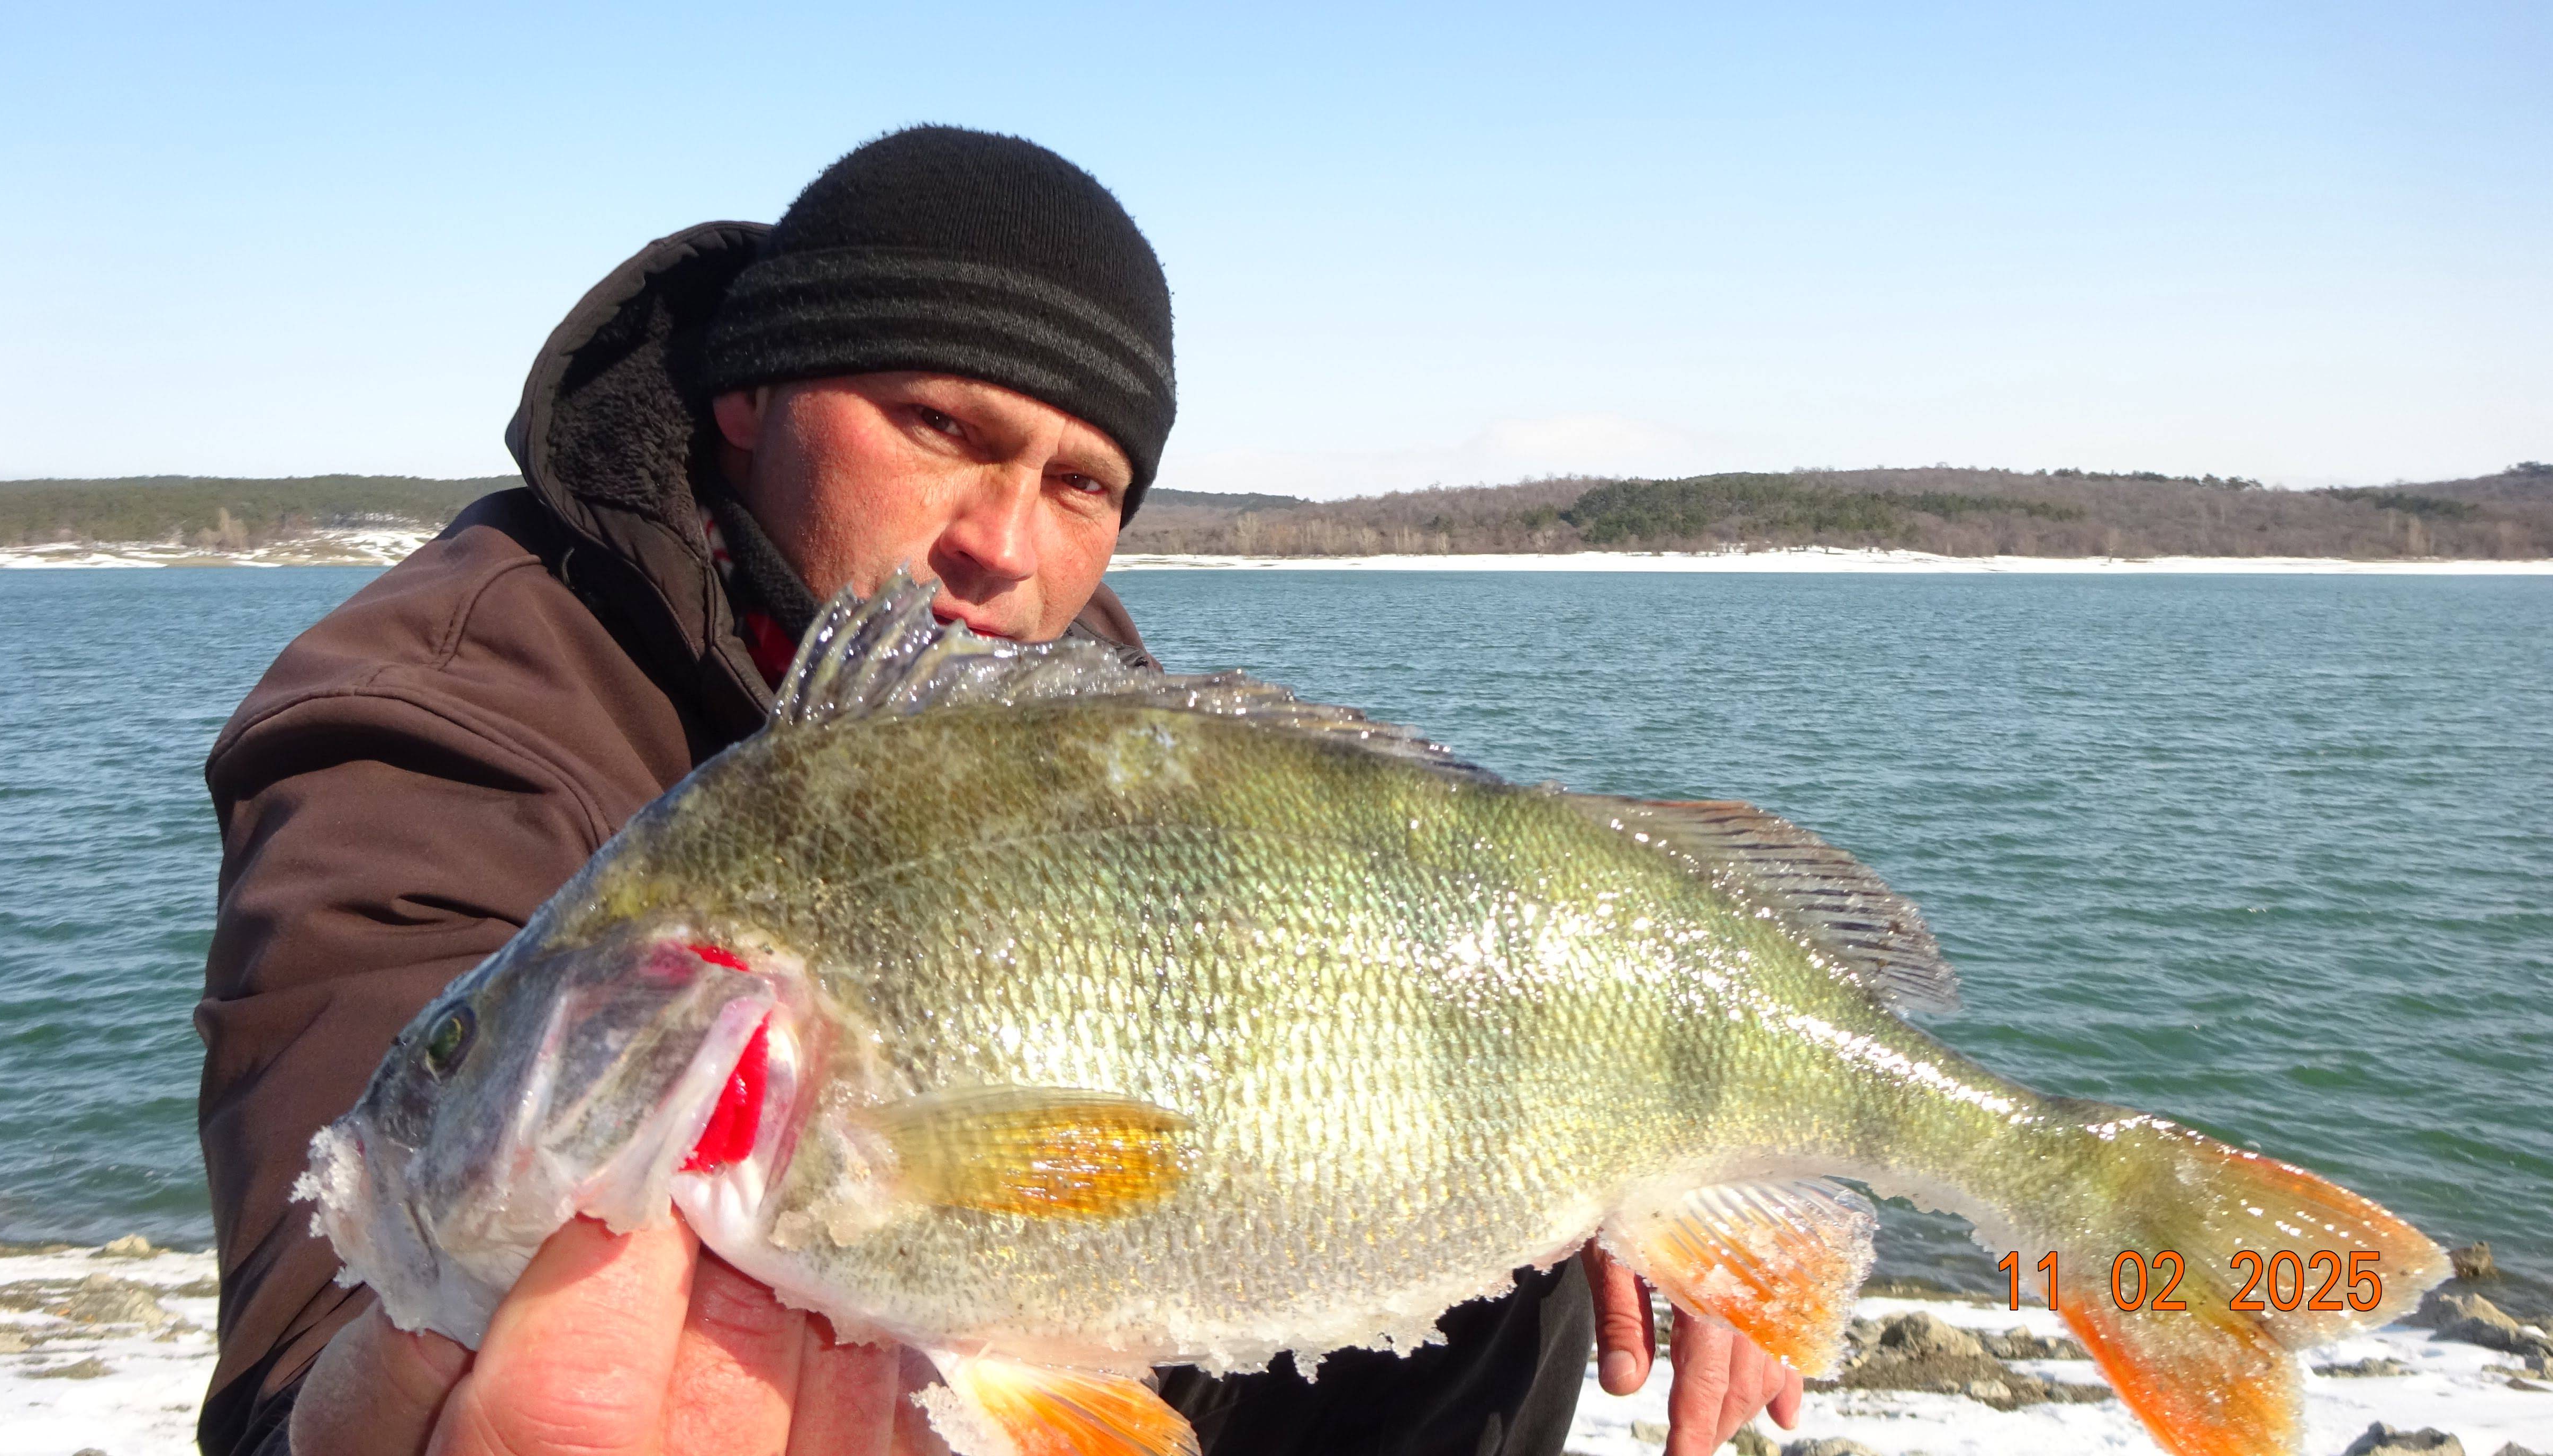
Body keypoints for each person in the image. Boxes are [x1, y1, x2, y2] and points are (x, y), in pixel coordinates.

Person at [195, 124, 1802, 1456]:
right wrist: (362, 1407)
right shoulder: (437, 711)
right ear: (751, 395)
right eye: (941, 427)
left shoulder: (1059, 692)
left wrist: (1635, 1147)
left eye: (1081, 483)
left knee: (1506, 1284)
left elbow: (1335, 983)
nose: (1004, 545)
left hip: (1010, 1283)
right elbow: (325, 1297)